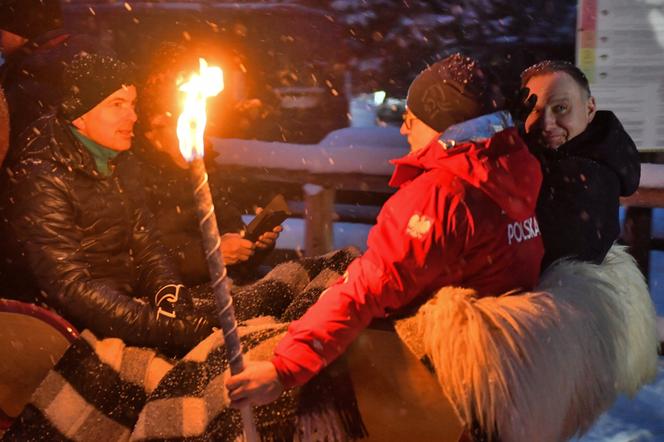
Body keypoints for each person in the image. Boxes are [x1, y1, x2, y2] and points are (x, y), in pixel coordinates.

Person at [225, 53, 545, 406]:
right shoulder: (511, 168)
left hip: (438, 376)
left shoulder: (443, 194)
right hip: (499, 356)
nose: (403, 129)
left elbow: (369, 287)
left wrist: (284, 368)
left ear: (442, 125)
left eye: (411, 119)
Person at [0, 53, 216, 356]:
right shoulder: (42, 177)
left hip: (122, 308)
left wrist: (171, 297)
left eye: (133, 104)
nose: (133, 117)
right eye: (117, 104)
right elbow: (68, 287)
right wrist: (162, 328)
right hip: (62, 329)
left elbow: (146, 243)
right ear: (80, 114)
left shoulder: (118, 159)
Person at [520, 60, 640, 269]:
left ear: (590, 108)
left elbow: (549, 255)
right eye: (534, 110)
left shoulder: (588, 176)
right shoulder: (544, 158)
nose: (547, 124)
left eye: (561, 108)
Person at [0, 0, 106, 159]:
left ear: (20, 32)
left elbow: (17, 149)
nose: (0, 41)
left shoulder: (28, 80)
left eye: (1, 32)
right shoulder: (78, 60)